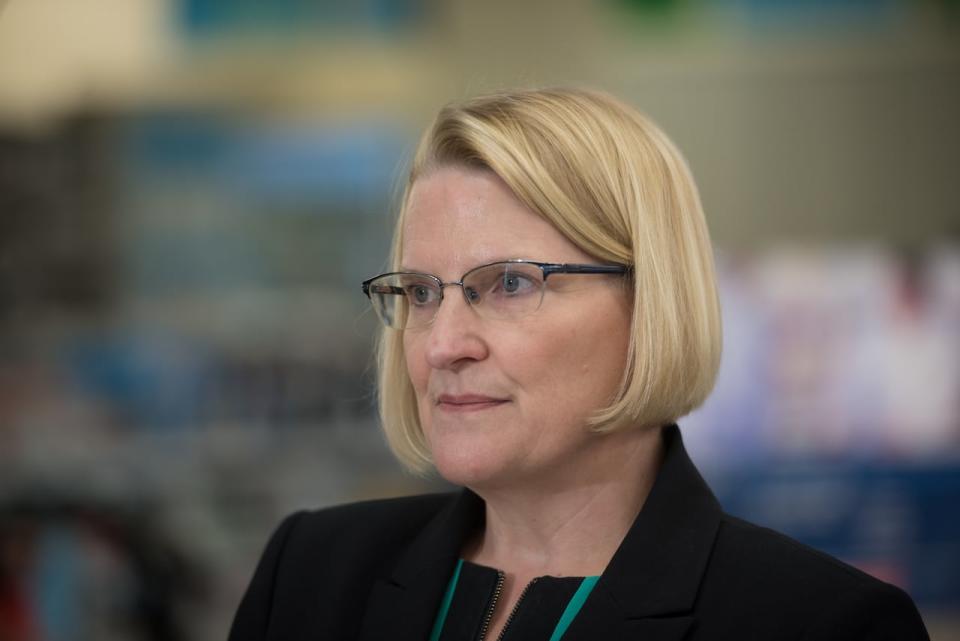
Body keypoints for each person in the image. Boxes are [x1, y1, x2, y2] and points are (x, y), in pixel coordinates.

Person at [228, 88, 929, 641]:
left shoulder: (820, 623)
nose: (443, 343)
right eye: (418, 291)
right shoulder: (311, 574)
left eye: (508, 283)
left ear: (650, 299)